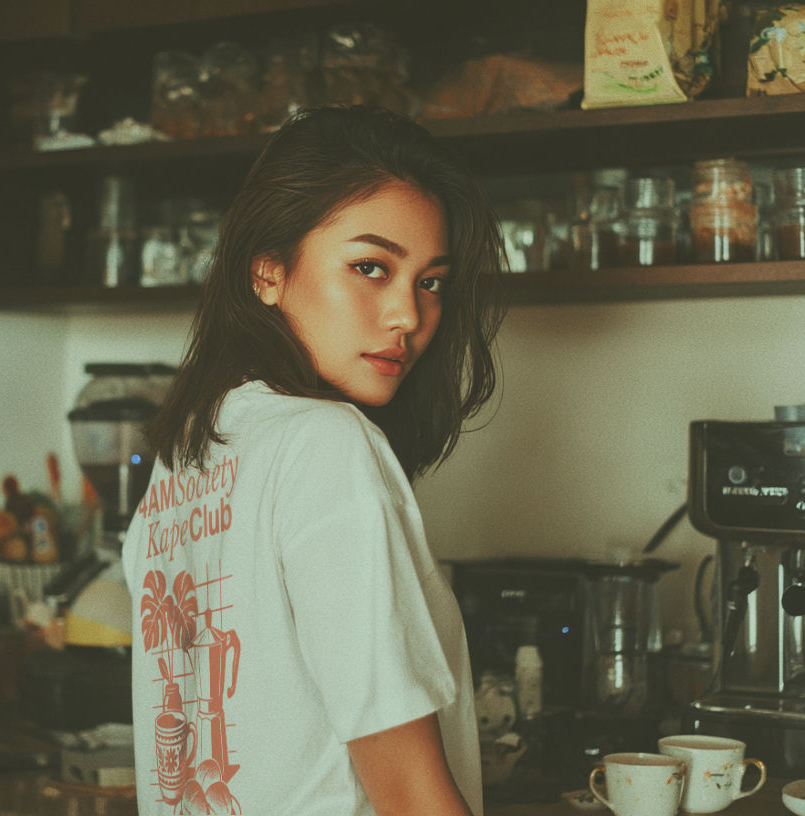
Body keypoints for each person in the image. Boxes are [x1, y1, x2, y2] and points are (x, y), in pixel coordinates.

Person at [124, 105, 505, 816]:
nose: (408, 315)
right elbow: (411, 794)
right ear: (267, 271)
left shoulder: (185, 461)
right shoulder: (326, 444)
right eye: (370, 267)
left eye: (430, 281)